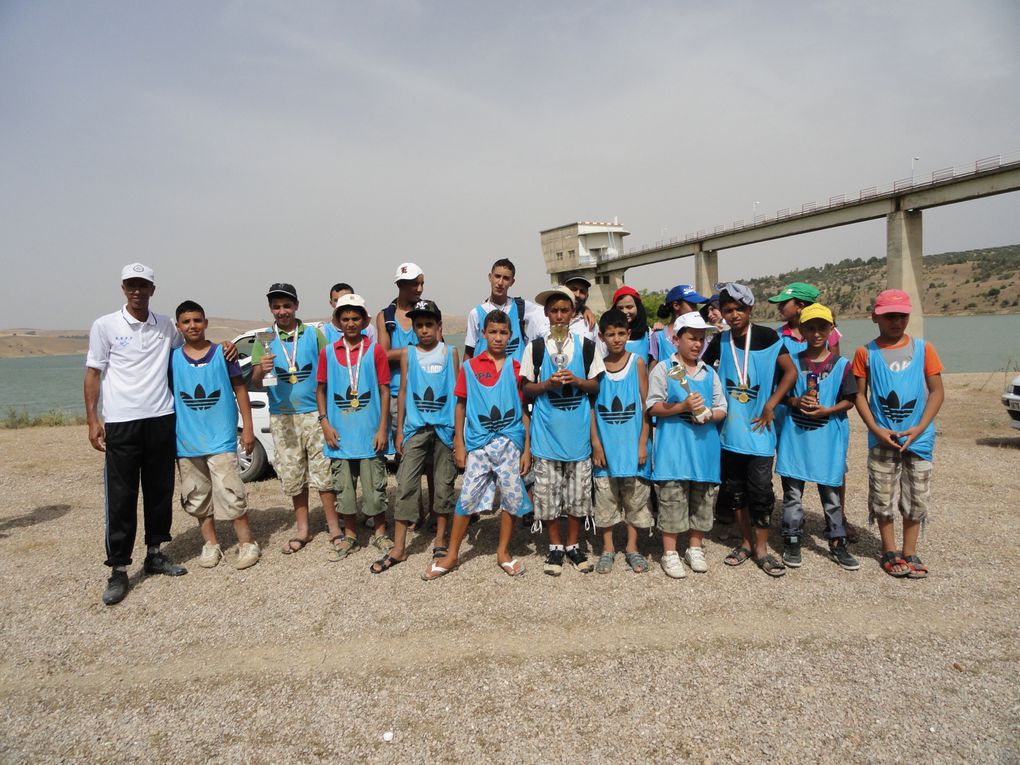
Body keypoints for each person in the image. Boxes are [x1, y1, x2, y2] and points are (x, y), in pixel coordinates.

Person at [85, 263, 189, 605]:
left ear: (152, 290)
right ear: (123, 288)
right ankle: (118, 568)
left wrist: (225, 350)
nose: (137, 291)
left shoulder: (166, 326)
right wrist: (92, 420)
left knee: (160, 489)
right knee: (122, 495)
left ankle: (155, 553)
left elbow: (189, 347)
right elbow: (94, 373)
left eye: (143, 286)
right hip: (122, 421)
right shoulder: (106, 326)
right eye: (131, 285)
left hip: (161, 417)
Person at [423, 310, 532, 580]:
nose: (497, 337)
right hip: (479, 443)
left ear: (510, 335)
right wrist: (459, 444)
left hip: (510, 442)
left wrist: (527, 449)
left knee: (511, 497)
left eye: (503, 332)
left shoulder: (518, 368)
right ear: (483, 334)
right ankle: (451, 554)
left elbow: (524, 410)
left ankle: (503, 552)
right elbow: (460, 405)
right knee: (467, 497)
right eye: (492, 332)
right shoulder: (470, 367)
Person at [701, 282, 798, 577]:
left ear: (750, 309)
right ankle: (745, 542)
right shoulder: (721, 341)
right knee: (736, 492)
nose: (733, 315)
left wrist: (772, 403)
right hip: (730, 435)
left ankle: (762, 549)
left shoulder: (768, 337)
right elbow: (702, 371)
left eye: (739, 309)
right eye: (728, 310)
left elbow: (791, 372)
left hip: (759, 433)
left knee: (761, 492)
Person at [852, 289, 944, 579]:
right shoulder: (865, 353)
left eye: (902, 315)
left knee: (916, 498)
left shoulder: (923, 349)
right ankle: (889, 549)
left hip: (919, 440)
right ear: (875, 317)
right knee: (882, 497)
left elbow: (937, 392)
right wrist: (876, 429)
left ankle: (910, 551)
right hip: (882, 439)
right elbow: (859, 396)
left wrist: (920, 427)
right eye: (890, 316)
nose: (896, 321)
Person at [251, 283, 342, 555]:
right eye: (276, 307)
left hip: (315, 414)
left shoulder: (314, 335)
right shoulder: (263, 339)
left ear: (296, 306)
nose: (282, 311)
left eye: (287, 306)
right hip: (283, 417)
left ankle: (334, 526)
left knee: (324, 473)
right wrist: (261, 370)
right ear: (271, 309)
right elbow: (256, 380)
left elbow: (330, 367)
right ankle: (303, 529)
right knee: (293, 475)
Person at [170, 300, 261, 570]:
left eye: (197, 320)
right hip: (187, 441)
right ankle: (210, 544)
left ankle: (247, 543)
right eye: (186, 322)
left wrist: (248, 427)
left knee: (231, 491)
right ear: (178, 327)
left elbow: (240, 390)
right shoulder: (172, 358)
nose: (192, 326)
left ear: (205, 323)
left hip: (220, 438)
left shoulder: (224, 354)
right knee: (197, 495)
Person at [522, 286, 605, 576]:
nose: (559, 316)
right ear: (546, 313)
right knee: (547, 497)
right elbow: (527, 389)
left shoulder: (587, 346)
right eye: (553, 310)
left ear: (573, 313)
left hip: (578, 437)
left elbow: (596, 385)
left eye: (564, 310)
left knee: (578, 496)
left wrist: (576, 381)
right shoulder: (535, 347)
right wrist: (547, 384)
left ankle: (573, 545)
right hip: (547, 437)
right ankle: (554, 547)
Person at [774, 303, 859, 571]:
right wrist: (796, 401)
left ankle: (837, 540)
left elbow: (850, 400)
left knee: (831, 494)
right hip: (796, 436)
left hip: (828, 438)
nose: (817, 332)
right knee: (792, 494)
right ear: (801, 330)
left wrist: (828, 409)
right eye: (810, 327)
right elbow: (781, 396)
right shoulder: (792, 362)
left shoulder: (843, 365)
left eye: (823, 327)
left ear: (832, 329)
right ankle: (792, 538)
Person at [379, 300, 460, 573]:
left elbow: (457, 396)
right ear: (413, 328)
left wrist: (459, 437)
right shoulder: (409, 354)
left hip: (444, 430)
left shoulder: (450, 353)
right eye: (418, 325)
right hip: (415, 429)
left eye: (428, 324)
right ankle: (399, 547)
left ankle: (440, 539)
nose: (424, 330)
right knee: (406, 485)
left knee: (443, 485)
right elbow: (402, 391)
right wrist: (399, 430)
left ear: (439, 326)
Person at [647, 312, 727, 577]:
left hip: (704, 451)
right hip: (674, 451)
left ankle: (695, 547)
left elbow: (721, 408)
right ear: (676, 339)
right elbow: (653, 406)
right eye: (691, 338)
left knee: (702, 500)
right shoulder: (664, 368)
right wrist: (681, 406)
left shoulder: (709, 372)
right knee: (672, 499)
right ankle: (669, 552)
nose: (697, 344)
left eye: (701, 339)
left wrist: (707, 415)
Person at [316, 294, 393, 560]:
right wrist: (324, 423)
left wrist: (383, 428)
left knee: (375, 489)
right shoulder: (328, 352)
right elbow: (321, 389)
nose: (350, 323)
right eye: (345, 318)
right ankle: (350, 535)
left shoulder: (375, 350)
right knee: (344, 490)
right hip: (339, 436)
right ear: (337, 321)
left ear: (364, 321)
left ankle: (381, 532)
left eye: (355, 318)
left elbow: (385, 391)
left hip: (370, 434)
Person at [590, 309, 653, 574]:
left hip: (633, 447)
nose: (616, 339)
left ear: (628, 334)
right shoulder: (597, 367)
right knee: (605, 500)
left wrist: (642, 443)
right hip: (607, 448)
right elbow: (592, 408)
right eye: (610, 334)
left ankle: (632, 547)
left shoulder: (637, 362)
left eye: (620, 334)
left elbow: (647, 404)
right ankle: (607, 548)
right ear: (602, 337)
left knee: (636, 500)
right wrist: (596, 443)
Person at [464, 258, 546, 362]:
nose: (500, 282)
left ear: (512, 282)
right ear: (490, 277)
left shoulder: (521, 307)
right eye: (497, 276)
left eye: (506, 278)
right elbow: (469, 351)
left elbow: (549, 312)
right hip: (486, 375)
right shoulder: (476, 313)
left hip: (516, 375)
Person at [652, 284, 709, 364]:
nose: (696, 310)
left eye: (696, 305)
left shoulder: (701, 338)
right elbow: (652, 370)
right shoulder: (658, 336)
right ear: (676, 305)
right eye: (692, 305)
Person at [602, 286, 653, 362]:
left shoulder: (648, 334)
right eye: (620, 308)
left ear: (638, 307)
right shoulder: (606, 335)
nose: (625, 312)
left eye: (629, 307)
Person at [560, 273, 598, 341]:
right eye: (573, 289)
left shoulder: (590, 323)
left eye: (582, 291)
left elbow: (598, 350)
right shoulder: (546, 318)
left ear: (587, 296)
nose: (577, 295)